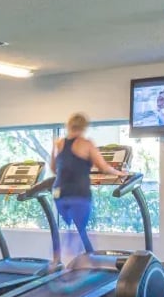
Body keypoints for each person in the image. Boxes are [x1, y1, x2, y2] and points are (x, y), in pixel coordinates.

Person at [50, 112, 128, 266]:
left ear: (69, 125)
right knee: (84, 226)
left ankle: (62, 254)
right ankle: (82, 256)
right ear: (84, 127)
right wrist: (120, 173)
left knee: (75, 227)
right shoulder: (86, 144)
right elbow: (103, 167)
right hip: (79, 195)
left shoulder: (58, 144)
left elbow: (54, 169)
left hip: (59, 196)